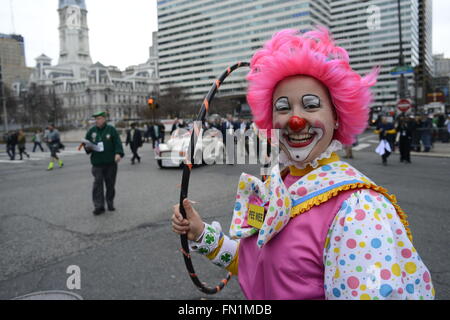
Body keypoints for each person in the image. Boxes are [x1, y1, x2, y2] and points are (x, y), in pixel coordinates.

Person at [171, 28, 434, 300]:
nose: (295, 120)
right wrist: (201, 233)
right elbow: (260, 266)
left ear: (337, 117)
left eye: (310, 105)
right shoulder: (277, 184)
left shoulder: (358, 210)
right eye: (283, 108)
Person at [84, 111, 124, 215]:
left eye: (100, 118)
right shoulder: (91, 131)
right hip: (97, 163)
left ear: (104, 119)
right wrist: (87, 147)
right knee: (97, 184)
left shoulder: (111, 130)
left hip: (110, 162)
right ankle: (99, 206)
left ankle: (110, 202)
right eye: (96, 119)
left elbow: (117, 143)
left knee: (110, 184)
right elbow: (87, 145)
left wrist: (118, 153)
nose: (97, 121)